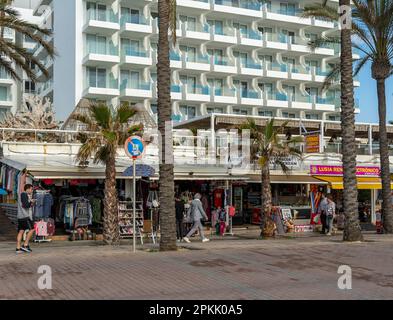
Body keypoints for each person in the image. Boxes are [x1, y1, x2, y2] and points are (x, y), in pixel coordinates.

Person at [16, 184, 36, 254]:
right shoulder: (24, 194)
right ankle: (25, 245)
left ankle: (18, 248)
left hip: (20, 216)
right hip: (25, 216)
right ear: (27, 189)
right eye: (31, 189)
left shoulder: (21, 195)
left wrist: (31, 203)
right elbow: (26, 205)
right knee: (32, 229)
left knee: (21, 231)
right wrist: (31, 202)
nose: (32, 190)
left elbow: (25, 205)